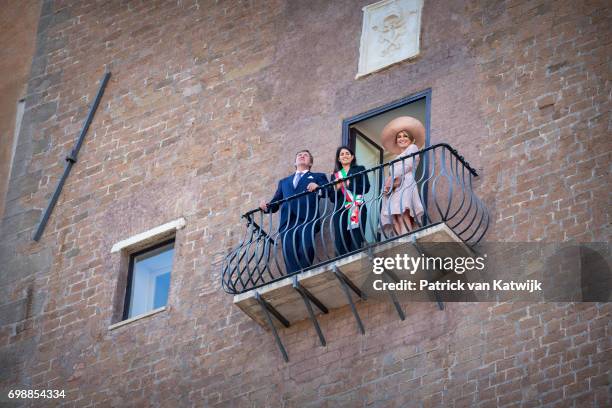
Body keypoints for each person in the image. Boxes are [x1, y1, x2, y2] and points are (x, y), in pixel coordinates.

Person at [259, 150, 328, 274]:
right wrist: (266, 206)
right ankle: (293, 277)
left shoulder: (318, 176)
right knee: (289, 251)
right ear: (295, 162)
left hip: (307, 218)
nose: (302, 156)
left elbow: (328, 191)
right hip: (287, 221)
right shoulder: (284, 182)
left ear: (310, 162)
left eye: (305, 155)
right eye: (299, 155)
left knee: (306, 248)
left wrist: (318, 188)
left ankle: (303, 274)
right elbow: (276, 202)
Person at [380, 116, 425, 235]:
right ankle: (399, 239)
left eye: (405, 136)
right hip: (395, 186)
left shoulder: (413, 148)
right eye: (399, 137)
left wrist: (391, 178)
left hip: (405, 182)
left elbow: (408, 165)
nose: (402, 138)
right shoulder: (396, 157)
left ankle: (408, 238)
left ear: (411, 139)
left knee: (403, 212)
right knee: (395, 215)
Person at [329, 146, 370, 256]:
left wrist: (349, 184)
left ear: (352, 157)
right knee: (341, 238)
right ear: (338, 159)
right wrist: (337, 188)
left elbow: (366, 188)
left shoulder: (360, 169)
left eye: (347, 153)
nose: (345, 156)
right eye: (342, 154)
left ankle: (355, 261)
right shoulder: (335, 176)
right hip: (340, 210)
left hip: (357, 207)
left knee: (356, 237)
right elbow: (332, 198)